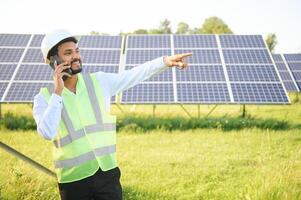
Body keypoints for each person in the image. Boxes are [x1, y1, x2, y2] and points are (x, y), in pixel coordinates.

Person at [33, 29, 192, 200]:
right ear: (53, 61)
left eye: (77, 51)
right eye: (68, 53)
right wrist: (57, 93)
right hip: (73, 181)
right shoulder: (44, 98)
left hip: (107, 174)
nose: (76, 56)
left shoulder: (99, 81)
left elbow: (134, 75)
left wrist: (164, 61)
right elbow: (47, 132)